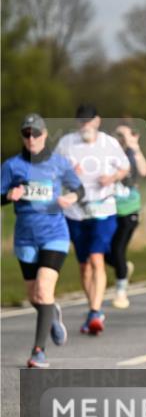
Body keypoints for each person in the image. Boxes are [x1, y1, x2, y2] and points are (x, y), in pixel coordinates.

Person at [2, 115, 83, 367]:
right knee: (34, 296)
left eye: (35, 134)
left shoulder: (59, 163)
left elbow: (78, 189)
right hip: (26, 236)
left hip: (55, 234)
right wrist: (8, 195)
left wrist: (71, 198)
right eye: (26, 134)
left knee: (43, 289)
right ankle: (52, 315)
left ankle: (38, 351)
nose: (31, 139)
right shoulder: (12, 166)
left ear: (45, 134)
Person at [55, 104, 131, 335]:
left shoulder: (109, 143)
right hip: (75, 211)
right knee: (84, 265)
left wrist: (112, 177)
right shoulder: (66, 143)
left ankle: (95, 312)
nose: (85, 125)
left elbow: (125, 168)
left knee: (97, 258)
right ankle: (93, 310)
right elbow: (52, 171)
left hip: (103, 208)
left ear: (97, 121)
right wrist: (68, 171)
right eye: (81, 121)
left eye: (89, 121)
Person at [108, 123, 146, 309]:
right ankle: (123, 266)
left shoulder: (133, 154)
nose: (121, 139)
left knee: (118, 249)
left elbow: (143, 171)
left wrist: (135, 146)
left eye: (124, 136)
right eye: (118, 135)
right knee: (102, 252)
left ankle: (121, 292)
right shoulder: (106, 155)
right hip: (109, 210)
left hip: (129, 209)